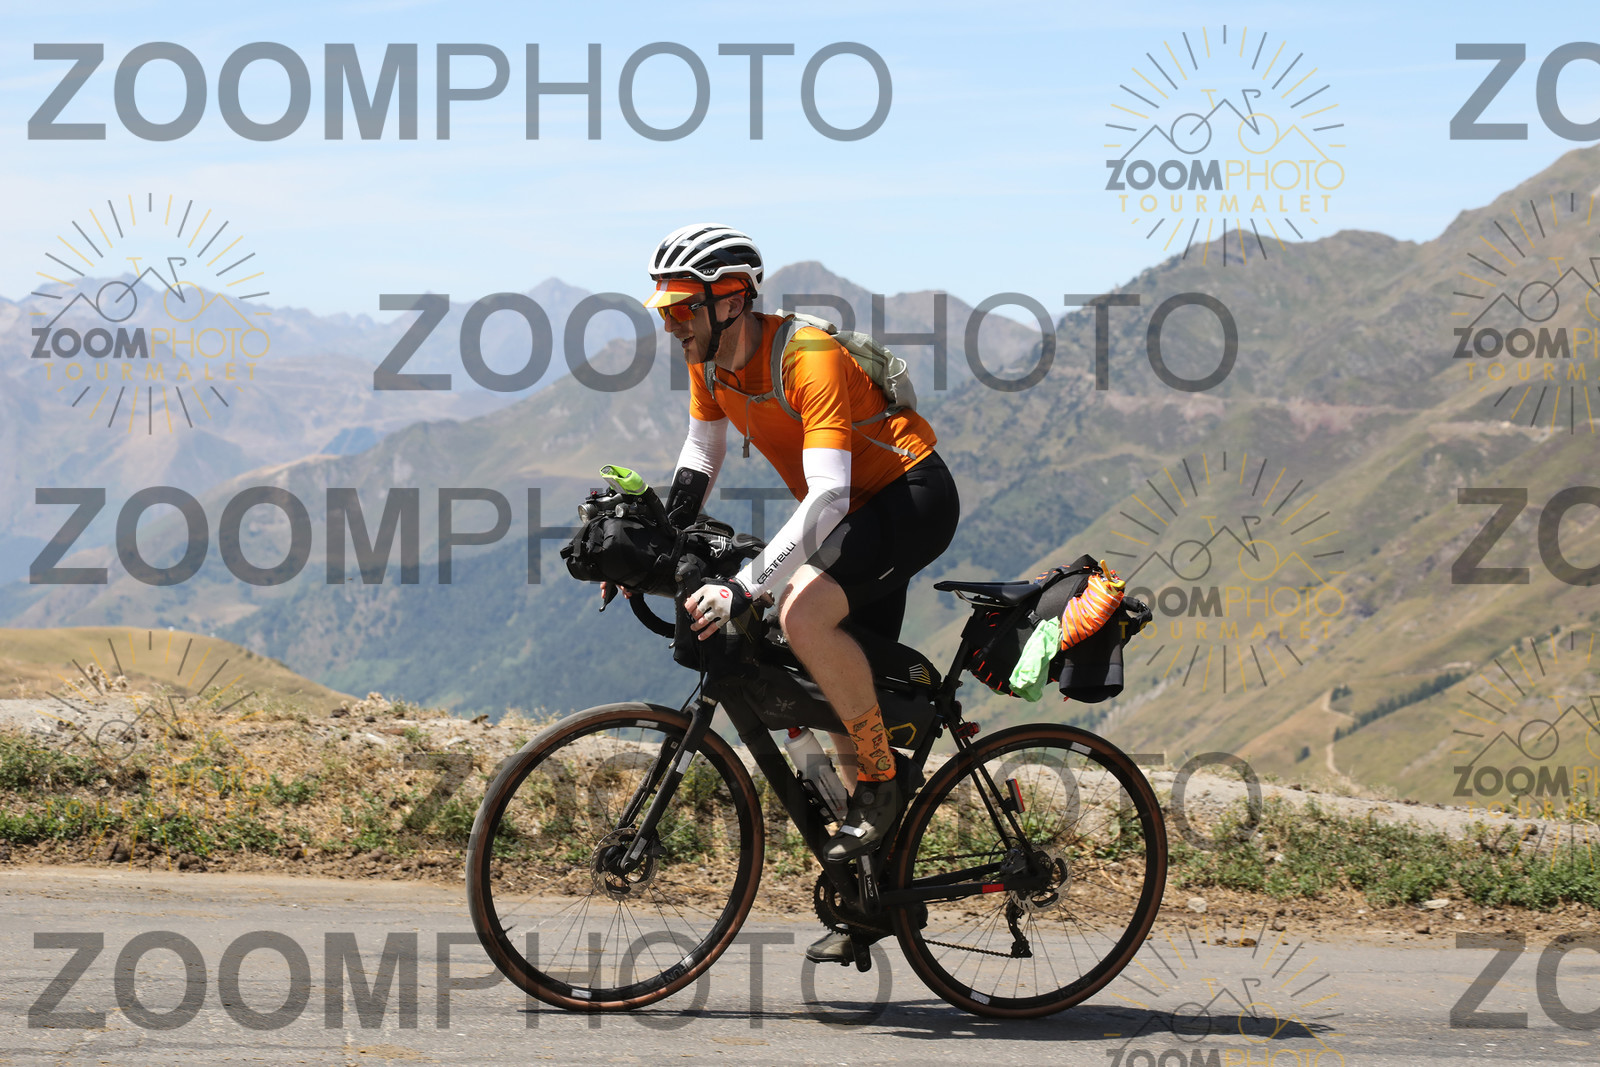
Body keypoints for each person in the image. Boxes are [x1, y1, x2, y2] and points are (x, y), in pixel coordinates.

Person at [637, 223, 960, 963]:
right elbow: (703, 448)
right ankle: (872, 892)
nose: (672, 324)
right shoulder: (709, 356)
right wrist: (658, 546)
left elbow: (828, 497)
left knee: (800, 612)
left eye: (681, 308)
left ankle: (881, 782)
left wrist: (748, 586)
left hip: (907, 500)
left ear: (730, 300)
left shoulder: (806, 356)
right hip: (849, 514)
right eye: (666, 310)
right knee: (830, 690)